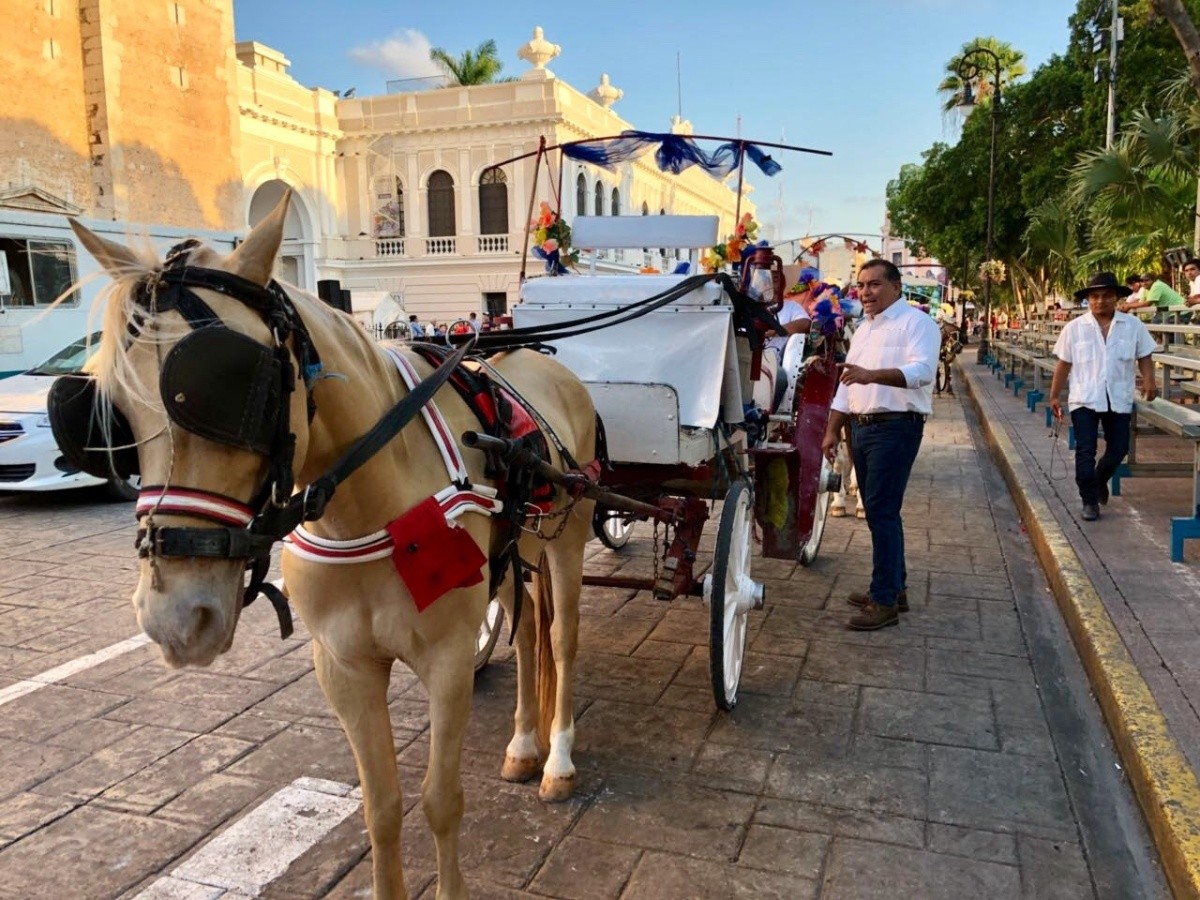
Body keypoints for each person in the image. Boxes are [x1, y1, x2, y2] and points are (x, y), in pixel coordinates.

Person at [820, 259, 940, 630]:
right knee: (877, 510)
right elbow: (846, 384)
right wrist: (831, 430)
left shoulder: (917, 324)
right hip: (861, 427)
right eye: (861, 285)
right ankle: (893, 587)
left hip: (896, 426)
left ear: (895, 287)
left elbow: (923, 373)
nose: (865, 293)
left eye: (874, 285)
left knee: (881, 510)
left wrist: (873, 376)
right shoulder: (864, 330)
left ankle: (884, 599)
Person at [1049, 272, 1157, 522]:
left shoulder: (1133, 326)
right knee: (1085, 450)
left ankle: (1099, 480)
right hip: (1085, 397)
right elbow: (1064, 364)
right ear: (1088, 299)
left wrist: (1149, 380)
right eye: (1094, 296)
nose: (1100, 301)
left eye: (1106, 296)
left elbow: (1145, 355)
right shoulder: (1074, 328)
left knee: (1118, 449)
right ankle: (1089, 501)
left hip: (1118, 396)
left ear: (1117, 298)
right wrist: (1054, 396)